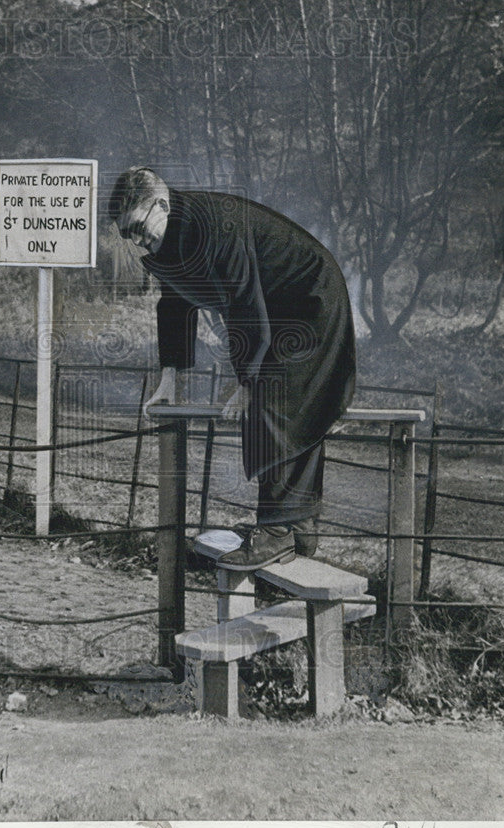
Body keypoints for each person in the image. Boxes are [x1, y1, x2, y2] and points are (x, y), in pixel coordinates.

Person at [108, 166, 356, 571]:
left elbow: (245, 303)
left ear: (161, 205)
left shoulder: (214, 227)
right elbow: (174, 305)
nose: (136, 241)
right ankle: (299, 528)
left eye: (138, 227)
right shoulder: (170, 238)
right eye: (127, 234)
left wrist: (246, 381)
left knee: (276, 398)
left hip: (310, 296)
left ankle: (276, 532)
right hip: (277, 306)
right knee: (289, 401)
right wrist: (170, 377)